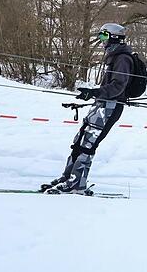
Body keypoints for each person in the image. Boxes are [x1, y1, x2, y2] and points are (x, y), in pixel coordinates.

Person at [42, 23, 133, 194]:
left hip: (111, 107)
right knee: (79, 141)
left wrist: (94, 92)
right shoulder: (115, 57)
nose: (101, 41)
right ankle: (68, 177)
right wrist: (91, 94)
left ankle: (77, 184)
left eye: (104, 36)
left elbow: (118, 86)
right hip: (102, 105)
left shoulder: (122, 59)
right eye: (100, 37)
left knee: (88, 145)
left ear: (114, 37)